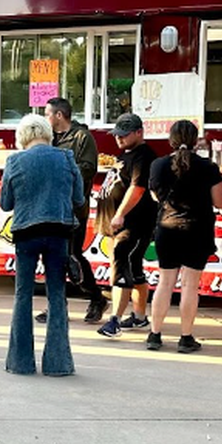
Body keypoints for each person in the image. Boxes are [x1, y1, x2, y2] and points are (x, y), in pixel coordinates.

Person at [0, 114, 83, 377]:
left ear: (22, 137)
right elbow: (79, 198)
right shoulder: (66, 158)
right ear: (48, 134)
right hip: (58, 233)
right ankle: (58, 364)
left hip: (26, 233)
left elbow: (6, 203)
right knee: (56, 296)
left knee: (23, 295)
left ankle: (20, 362)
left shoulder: (14, 161)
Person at [146, 120, 222, 353]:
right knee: (190, 286)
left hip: (167, 228)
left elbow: (155, 196)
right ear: (195, 140)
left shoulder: (157, 165)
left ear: (170, 140)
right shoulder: (208, 167)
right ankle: (185, 337)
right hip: (197, 230)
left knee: (165, 282)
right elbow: (220, 202)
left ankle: (155, 334)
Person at [35, 97, 108, 325]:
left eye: (47, 113)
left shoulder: (82, 138)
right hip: (50, 208)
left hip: (73, 208)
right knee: (53, 257)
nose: (45, 118)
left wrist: (59, 169)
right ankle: (56, 306)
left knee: (72, 256)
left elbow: (87, 170)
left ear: (59, 115)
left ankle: (96, 297)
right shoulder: (48, 139)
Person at [97, 113, 157, 339]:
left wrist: (120, 213)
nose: (119, 139)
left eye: (124, 134)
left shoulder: (144, 156)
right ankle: (140, 317)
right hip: (116, 222)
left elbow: (137, 188)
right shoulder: (126, 154)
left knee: (122, 263)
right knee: (133, 267)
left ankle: (114, 320)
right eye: (117, 135)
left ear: (139, 133)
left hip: (135, 222)